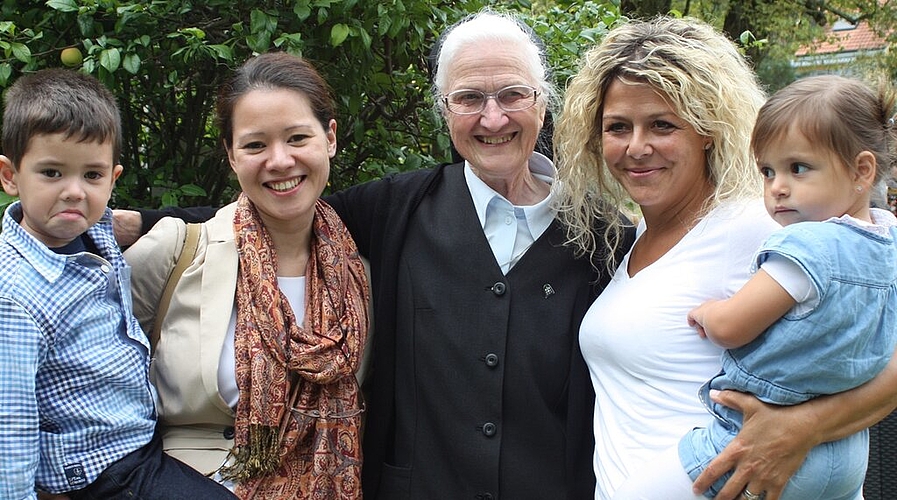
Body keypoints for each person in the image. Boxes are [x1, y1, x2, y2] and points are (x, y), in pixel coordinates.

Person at [115, 9, 621, 499]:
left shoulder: (604, 238)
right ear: (444, 110)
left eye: (513, 94)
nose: (493, 117)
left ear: (543, 102)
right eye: (468, 97)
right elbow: (282, 205)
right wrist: (133, 220)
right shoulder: (397, 209)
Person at [554, 16, 897, 500]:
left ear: (706, 130)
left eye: (661, 125)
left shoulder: (765, 226)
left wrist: (807, 427)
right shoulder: (631, 238)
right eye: (617, 127)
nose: (636, 147)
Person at [123, 53, 370, 499]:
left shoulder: (361, 276)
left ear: (329, 138)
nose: (280, 161)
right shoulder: (176, 251)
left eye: (297, 137)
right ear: (231, 154)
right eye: (255, 145)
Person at [0, 69, 235, 500]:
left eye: (92, 175)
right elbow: (8, 421)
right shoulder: (15, 292)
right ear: (10, 175)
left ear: (114, 178)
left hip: (137, 440)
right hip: (99, 470)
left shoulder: (96, 232)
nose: (74, 191)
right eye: (51, 172)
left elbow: (208, 219)